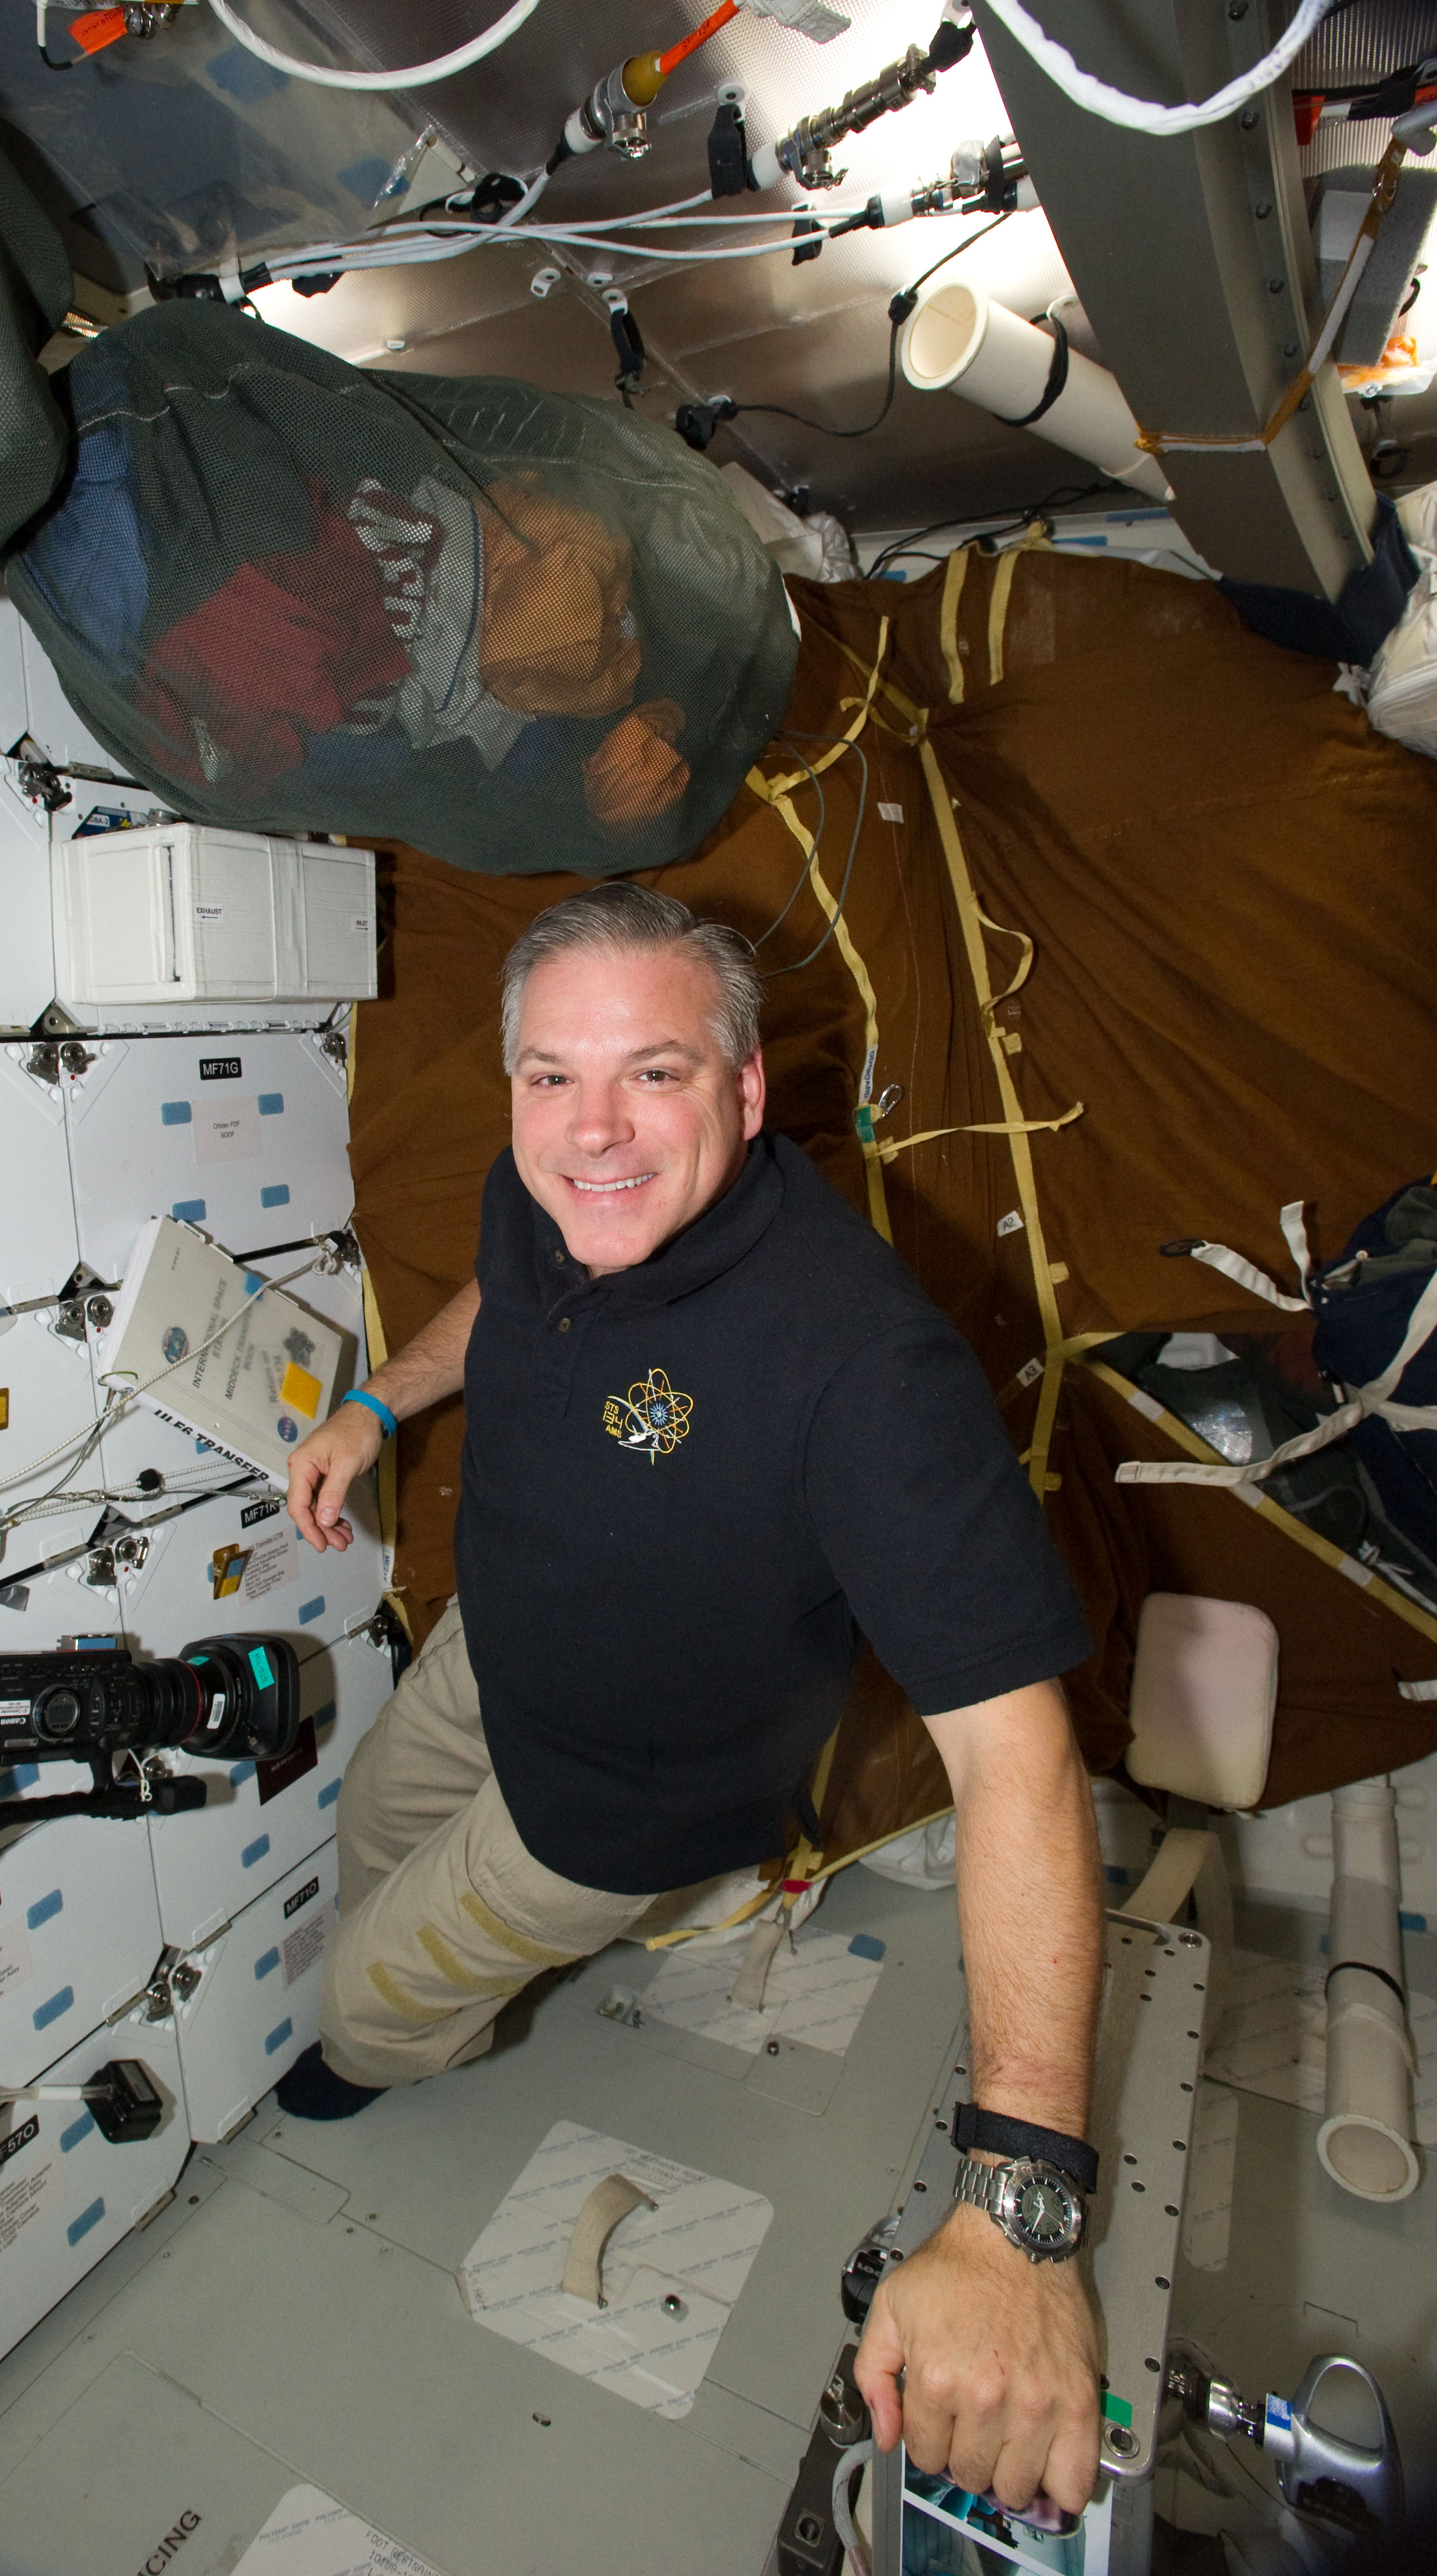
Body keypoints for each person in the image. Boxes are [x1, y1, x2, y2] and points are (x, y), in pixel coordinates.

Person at [281, 881, 1105, 2517]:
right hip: (485, 1664)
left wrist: (1020, 2208)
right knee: (362, 1844)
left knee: (356, 2006)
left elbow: (1022, 1765)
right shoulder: (561, 1191)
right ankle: (417, 1982)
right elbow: (494, 1294)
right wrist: (377, 1401)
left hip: (616, 1804)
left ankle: (387, 2048)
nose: (593, 1131)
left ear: (741, 1093)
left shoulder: (859, 1366)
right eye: (551, 1076)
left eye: (653, 1075)